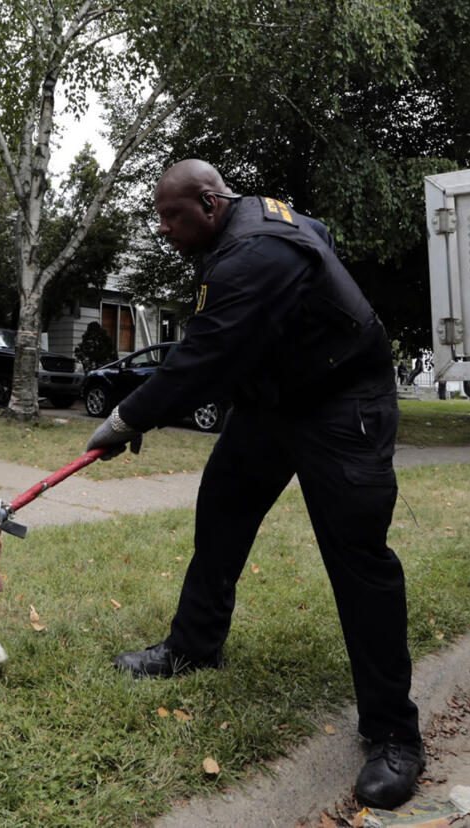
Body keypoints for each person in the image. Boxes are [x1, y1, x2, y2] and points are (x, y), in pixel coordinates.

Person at [84, 159, 424, 809]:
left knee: (358, 557)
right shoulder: (254, 222)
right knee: (223, 509)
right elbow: (319, 237)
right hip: (276, 399)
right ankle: (193, 647)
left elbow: (200, 362)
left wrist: (124, 420)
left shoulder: (250, 253)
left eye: (171, 216)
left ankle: (394, 735)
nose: (163, 230)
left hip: (343, 398)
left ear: (210, 204)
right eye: (157, 216)